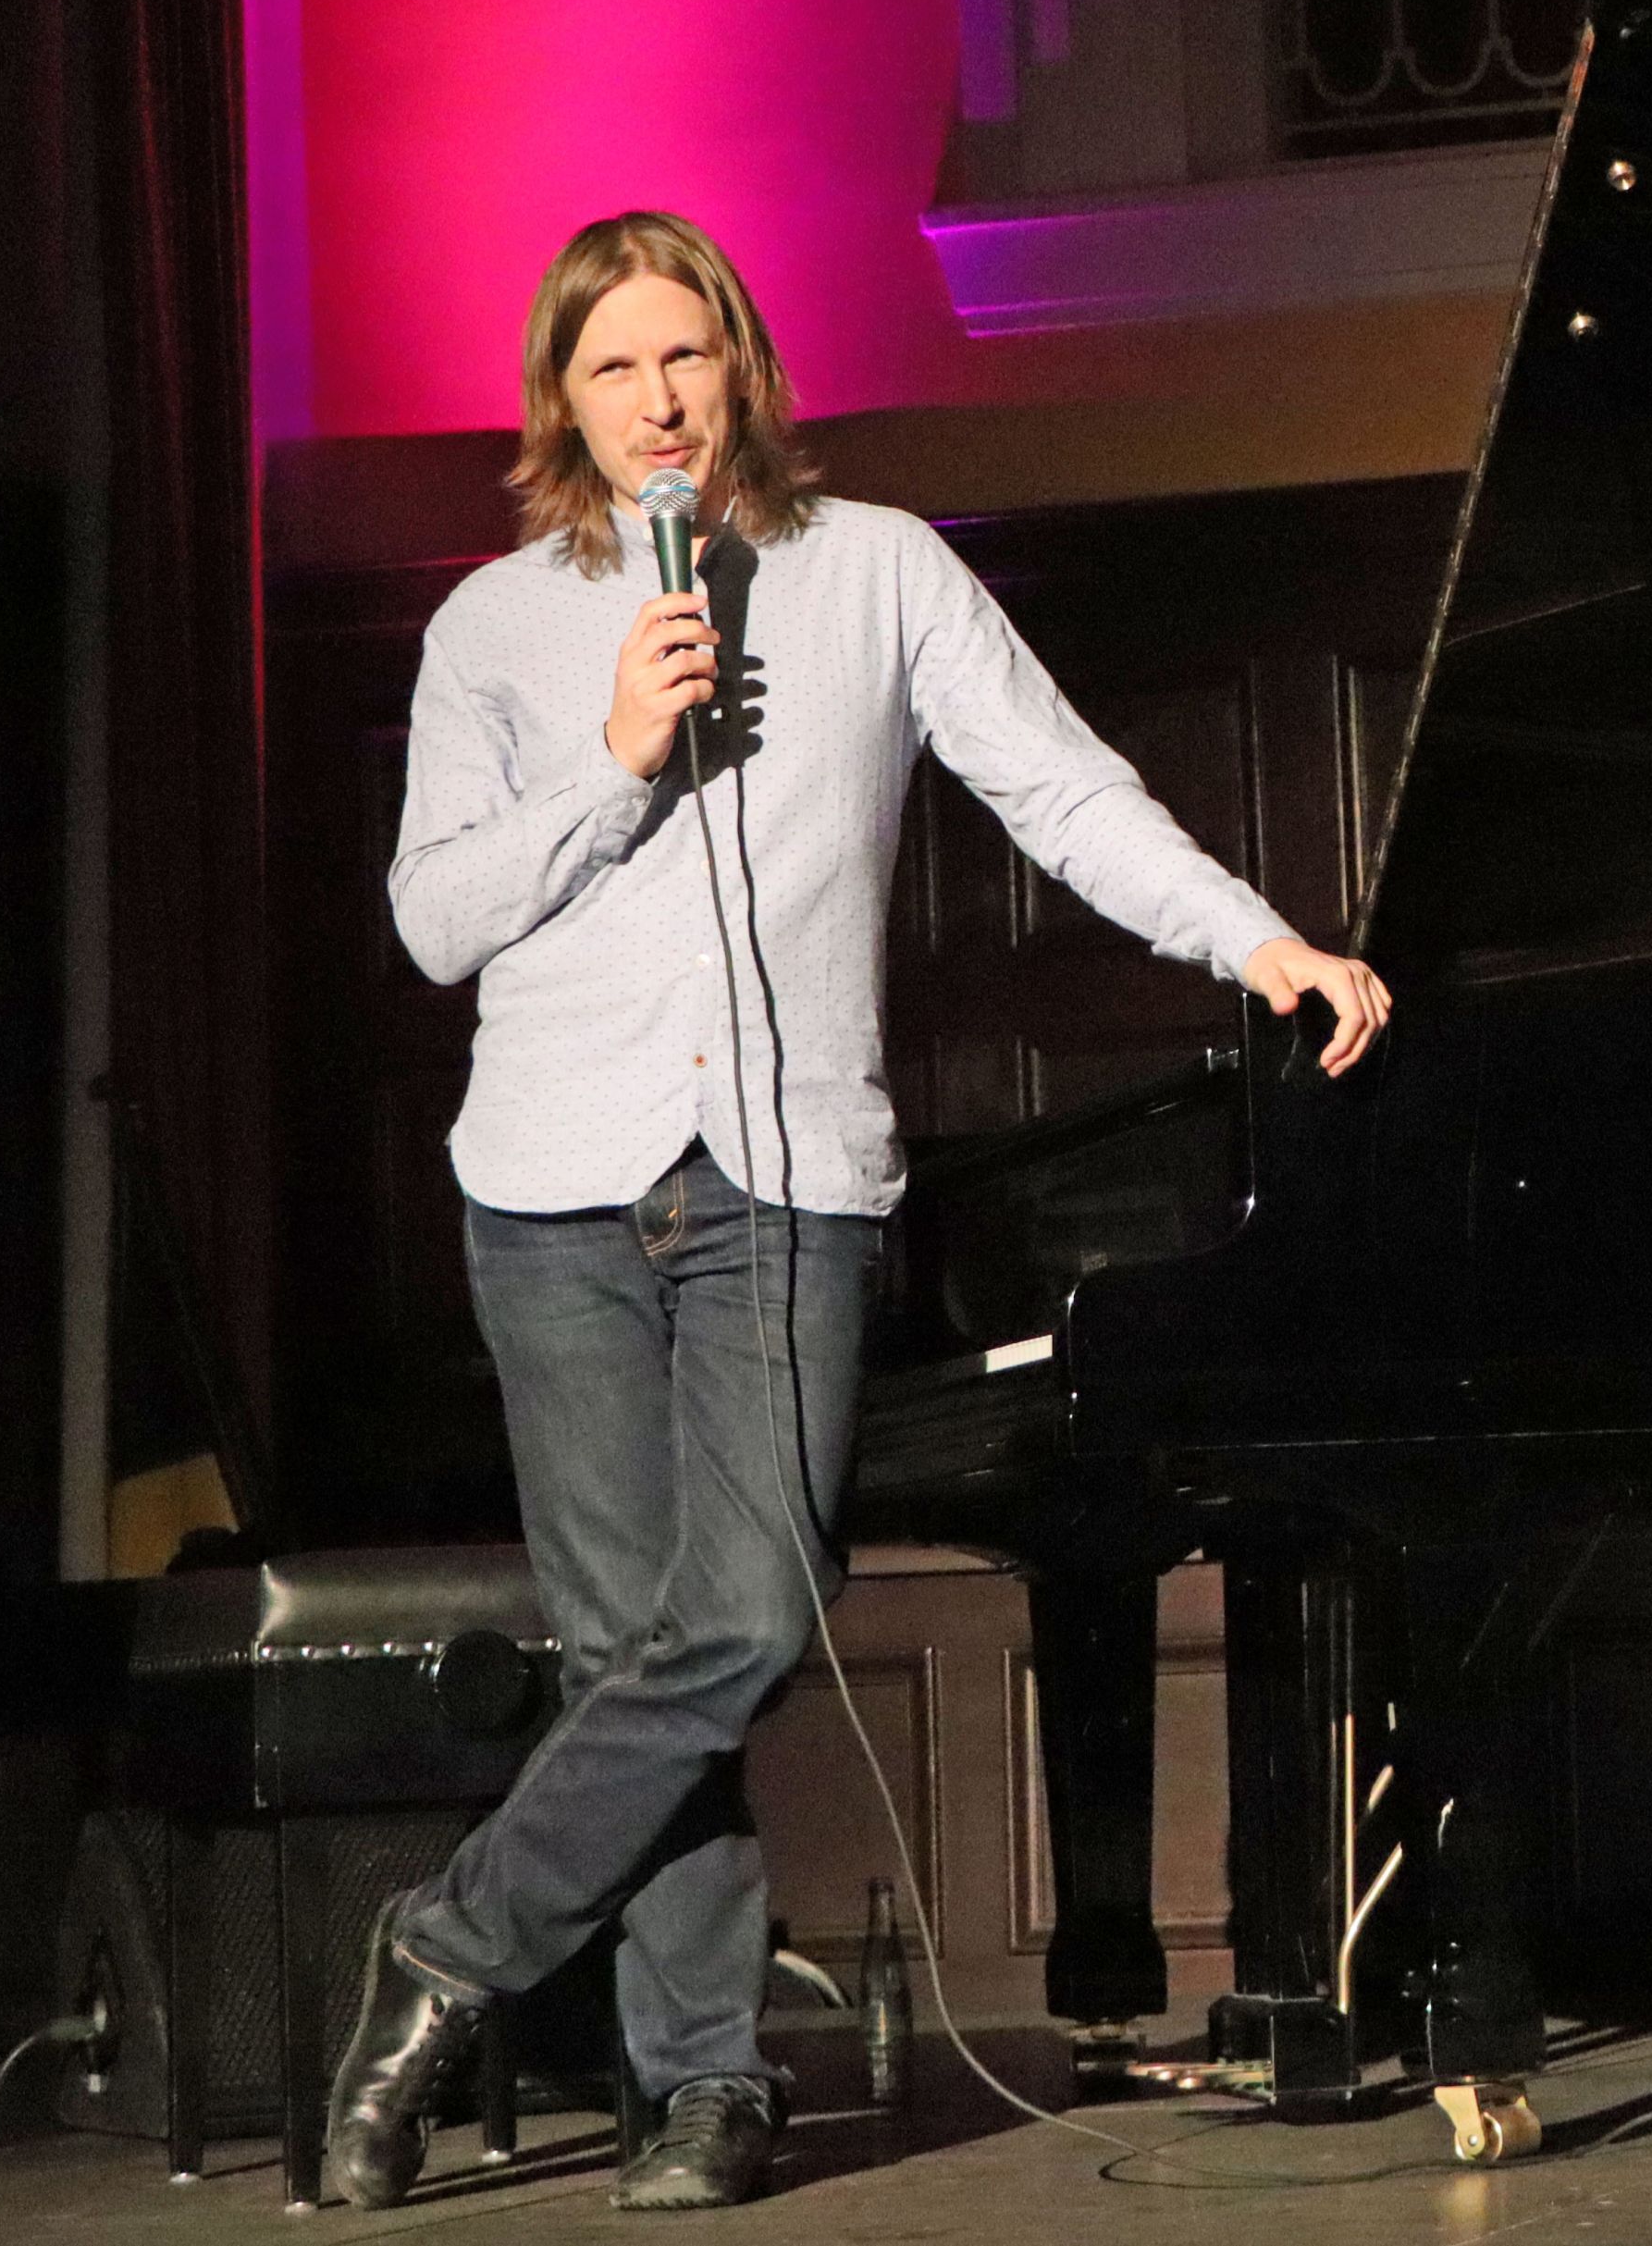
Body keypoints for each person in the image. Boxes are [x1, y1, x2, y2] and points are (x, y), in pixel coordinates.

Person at [327, 211, 1388, 2213]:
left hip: (786, 1176)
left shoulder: (875, 568)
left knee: (739, 1617)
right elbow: (434, 917)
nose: (655, 403)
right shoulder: (489, 627)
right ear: (560, 397)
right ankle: (702, 2084)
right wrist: (619, 763)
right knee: (638, 1648)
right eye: (612, 369)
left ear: (743, 364)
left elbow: (1061, 792)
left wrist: (1256, 941)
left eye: (685, 358)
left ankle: (444, 1946)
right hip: (550, 1189)